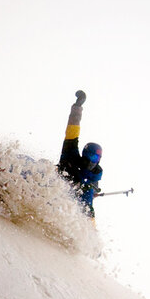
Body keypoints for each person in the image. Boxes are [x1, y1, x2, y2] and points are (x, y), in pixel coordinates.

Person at [57, 90, 103, 218]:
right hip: (50, 180)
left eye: (95, 157)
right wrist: (77, 107)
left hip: (62, 201)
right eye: (90, 155)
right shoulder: (71, 154)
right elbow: (72, 128)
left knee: (86, 204)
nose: (91, 160)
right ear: (84, 153)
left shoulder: (91, 182)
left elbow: (88, 209)